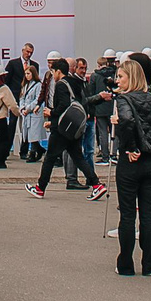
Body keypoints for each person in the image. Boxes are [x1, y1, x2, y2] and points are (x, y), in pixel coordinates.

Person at [107, 59, 151, 275]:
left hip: (130, 162)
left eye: (121, 76)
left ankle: (125, 264)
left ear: (131, 77)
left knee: (128, 214)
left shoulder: (124, 100)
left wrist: (131, 147)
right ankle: (150, 264)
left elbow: (128, 120)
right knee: (148, 215)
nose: (117, 80)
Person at [28, 56, 103, 198]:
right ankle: (96, 184)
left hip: (62, 128)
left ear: (58, 71)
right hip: (74, 126)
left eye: (53, 72)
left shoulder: (61, 85)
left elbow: (63, 105)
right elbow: (82, 101)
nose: (53, 75)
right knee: (78, 157)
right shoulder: (74, 82)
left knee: (50, 158)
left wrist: (51, 113)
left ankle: (40, 188)